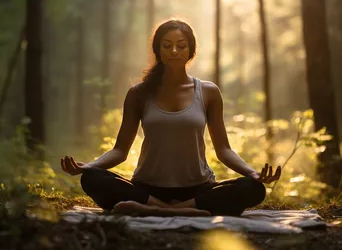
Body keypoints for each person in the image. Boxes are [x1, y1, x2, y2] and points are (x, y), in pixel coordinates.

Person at [61, 19, 281, 217]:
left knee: (252, 188)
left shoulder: (208, 92)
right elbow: (120, 151)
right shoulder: (139, 93)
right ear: (158, 50)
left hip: (197, 189)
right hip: (147, 189)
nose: (174, 50)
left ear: (191, 51)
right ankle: (176, 209)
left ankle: (163, 210)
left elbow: (223, 150)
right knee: (92, 178)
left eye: (181, 45)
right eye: (167, 45)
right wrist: (88, 167)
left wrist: (252, 173)